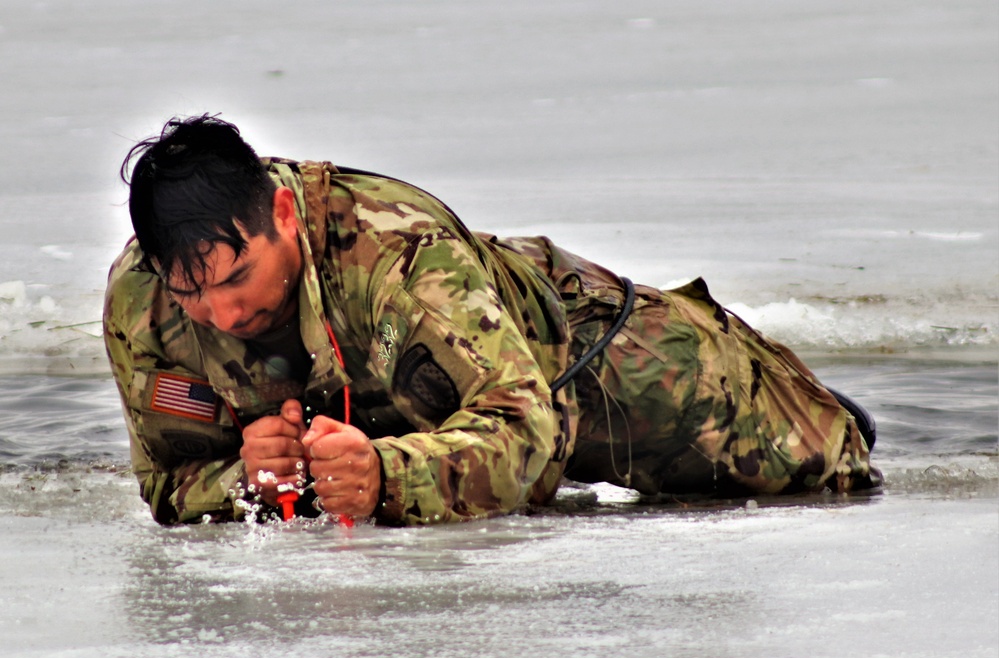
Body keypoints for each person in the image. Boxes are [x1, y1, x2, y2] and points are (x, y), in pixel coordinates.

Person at [103, 114, 882, 527]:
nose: (226, 312)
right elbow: (166, 484)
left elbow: (531, 430)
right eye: (193, 294)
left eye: (239, 276)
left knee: (825, 463)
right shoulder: (142, 306)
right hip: (421, 400)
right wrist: (252, 476)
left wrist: (386, 476)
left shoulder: (399, 256)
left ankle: (815, 398)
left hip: (605, 365)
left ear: (281, 213)